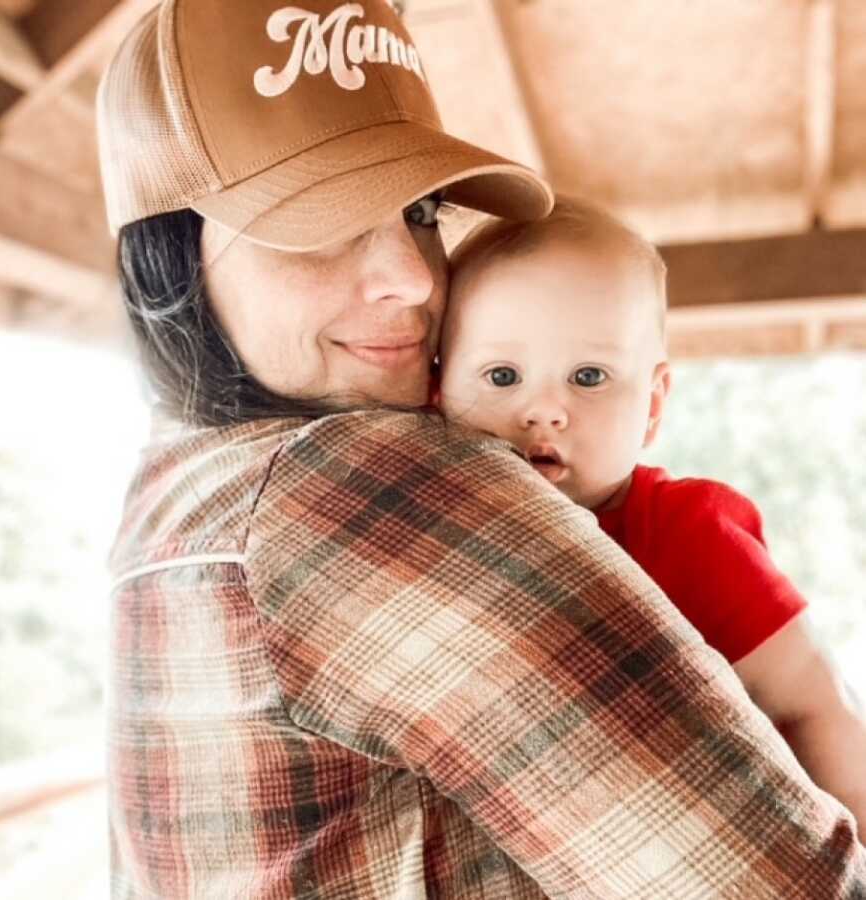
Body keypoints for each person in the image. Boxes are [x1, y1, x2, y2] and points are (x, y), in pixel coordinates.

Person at [100, 1, 866, 897]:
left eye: (421, 212)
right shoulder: (371, 488)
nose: (417, 276)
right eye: (318, 219)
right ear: (170, 258)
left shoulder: (166, 504)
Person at [436, 195, 866, 840]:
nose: (545, 408)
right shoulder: (435, 535)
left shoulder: (687, 533)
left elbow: (810, 701)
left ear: (653, 406)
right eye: (502, 375)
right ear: (436, 395)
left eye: (588, 375)